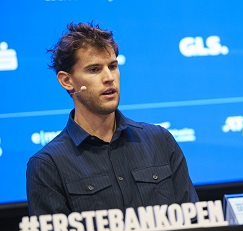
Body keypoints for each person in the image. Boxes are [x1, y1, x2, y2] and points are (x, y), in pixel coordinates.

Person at [26, 22, 199, 216]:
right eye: (94, 69)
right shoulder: (48, 165)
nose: (109, 77)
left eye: (113, 66)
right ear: (67, 81)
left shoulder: (160, 140)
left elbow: (192, 222)